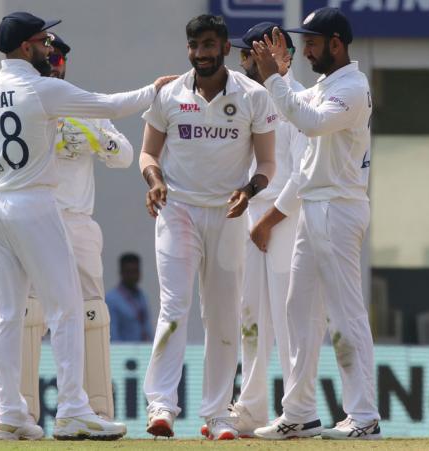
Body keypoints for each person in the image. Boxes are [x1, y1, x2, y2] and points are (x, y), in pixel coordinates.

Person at [0, 11, 175, 441]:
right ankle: (72, 410)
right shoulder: (43, 88)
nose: (49, 49)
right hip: (34, 204)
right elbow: (110, 106)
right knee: (66, 310)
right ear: (26, 47)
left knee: (6, 315)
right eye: (43, 42)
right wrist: (154, 90)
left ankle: (10, 412)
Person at [139, 14, 277, 440]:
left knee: (221, 316)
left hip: (227, 214)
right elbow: (147, 155)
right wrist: (155, 182)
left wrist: (249, 191)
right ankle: (161, 407)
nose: (202, 54)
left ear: (224, 48)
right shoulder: (168, 94)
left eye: (209, 45)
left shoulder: (253, 96)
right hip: (177, 210)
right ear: (189, 50)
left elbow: (268, 164)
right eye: (195, 46)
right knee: (174, 307)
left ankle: (217, 414)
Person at [250, 7, 381, 440]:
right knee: (299, 311)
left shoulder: (354, 88)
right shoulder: (328, 83)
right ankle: (300, 413)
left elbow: (308, 121)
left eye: (312, 42)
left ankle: (364, 417)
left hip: (339, 208)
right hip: (314, 206)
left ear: (336, 44)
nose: (305, 48)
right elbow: (295, 106)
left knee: (346, 314)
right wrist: (282, 77)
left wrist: (272, 78)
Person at [20, 32, 136, 423]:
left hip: (78, 222)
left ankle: (96, 408)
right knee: (30, 312)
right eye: (48, 58)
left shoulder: (84, 103)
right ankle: (24, 412)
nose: (54, 65)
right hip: (37, 216)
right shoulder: (26, 100)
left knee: (91, 311)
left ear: (65, 63)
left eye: (58, 60)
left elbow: (125, 157)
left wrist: (96, 138)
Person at [226, 23, 308, 437]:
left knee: (288, 315)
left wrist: (269, 220)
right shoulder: (249, 99)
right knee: (251, 315)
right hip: (253, 218)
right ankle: (252, 408)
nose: (244, 62)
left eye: (252, 53)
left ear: (282, 55)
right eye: (244, 55)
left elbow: (300, 175)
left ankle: (296, 409)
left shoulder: (297, 99)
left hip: (284, 220)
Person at [106, 253, 153, 342]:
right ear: (121, 273)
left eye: (135, 271)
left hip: (143, 351)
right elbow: (112, 334)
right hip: (124, 353)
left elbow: (147, 328)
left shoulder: (142, 297)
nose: (132, 276)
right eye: (128, 272)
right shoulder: (111, 300)